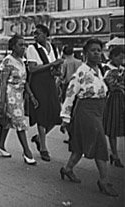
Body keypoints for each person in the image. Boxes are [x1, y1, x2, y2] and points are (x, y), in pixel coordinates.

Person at [60, 38, 118, 197]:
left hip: (99, 111)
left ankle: (67, 169)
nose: (97, 53)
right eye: (93, 50)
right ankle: (104, 180)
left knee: (79, 146)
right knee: (100, 144)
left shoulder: (99, 70)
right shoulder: (81, 72)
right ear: (85, 54)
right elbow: (70, 94)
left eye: (99, 50)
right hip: (86, 112)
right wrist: (65, 117)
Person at [0, 34, 38, 165]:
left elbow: (24, 81)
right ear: (13, 46)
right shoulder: (8, 61)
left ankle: (0, 145)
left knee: (6, 122)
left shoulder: (22, 61)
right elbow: (3, 82)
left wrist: (31, 95)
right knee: (20, 123)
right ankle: (27, 152)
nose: (23, 47)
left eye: (25, 45)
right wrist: (2, 100)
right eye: (20, 45)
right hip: (9, 94)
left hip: (20, 95)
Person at [26, 24, 64, 161]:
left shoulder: (53, 48)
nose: (34, 35)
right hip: (38, 83)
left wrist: (57, 71)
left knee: (56, 114)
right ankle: (43, 147)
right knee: (41, 114)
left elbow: (56, 68)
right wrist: (51, 65)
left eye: (37, 33)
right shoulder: (32, 48)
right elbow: (32, 69)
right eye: (34, 33)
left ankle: (38, 138)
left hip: (50, 82)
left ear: (45, 34)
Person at [102, 45, 125, 168]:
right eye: (120, 58)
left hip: (121, 99)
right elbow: (111, 86)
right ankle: (115, 154)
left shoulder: (121, 68)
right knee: (113, 127)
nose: (122, 61)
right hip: (112, 99)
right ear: (113, 57)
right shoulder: (106, 69)